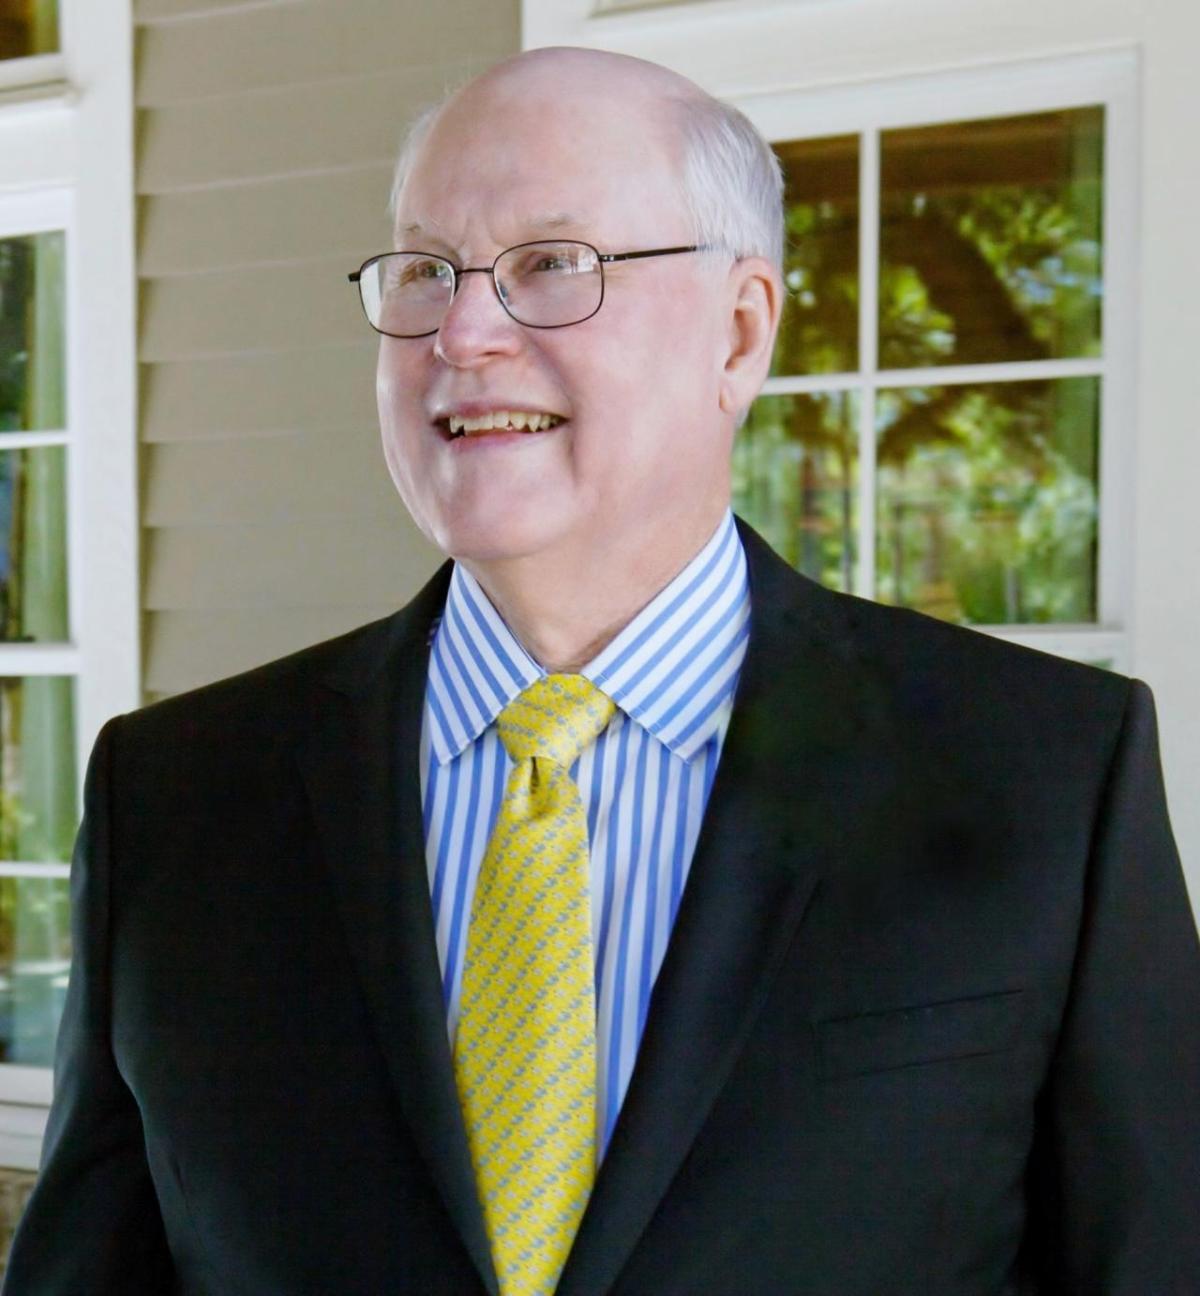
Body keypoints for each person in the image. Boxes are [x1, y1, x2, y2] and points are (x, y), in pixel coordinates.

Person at [5, 45, 1199, 1296]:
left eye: (551, 265)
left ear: (739, 333)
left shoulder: (1048, 773)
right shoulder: (177, 797)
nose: (464, 332)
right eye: (426, 271)